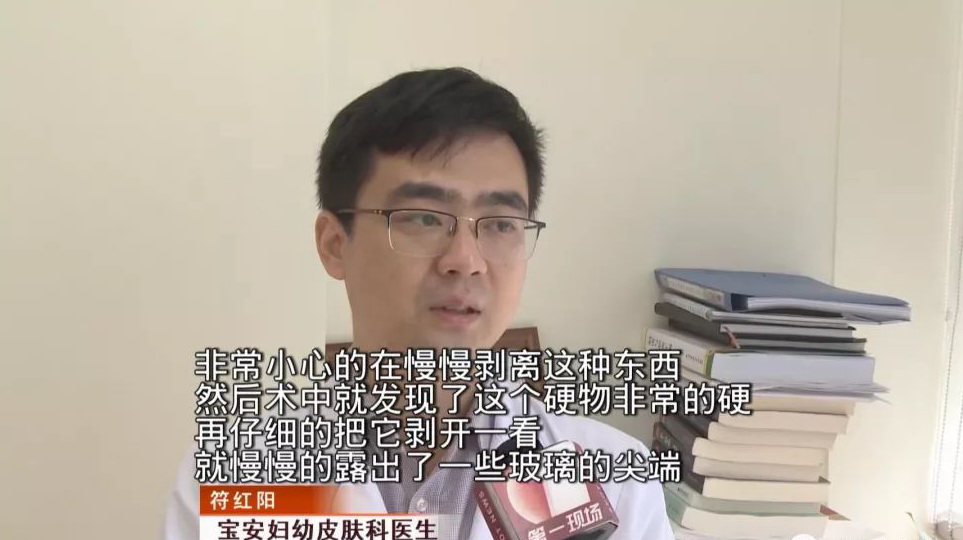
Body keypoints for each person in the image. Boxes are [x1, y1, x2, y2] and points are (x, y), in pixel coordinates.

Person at [161, 67, 675, 540]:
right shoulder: (238, 474)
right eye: (425, 218)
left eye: (500, 224)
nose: (466, 260)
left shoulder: (615, 481)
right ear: (335, 244)